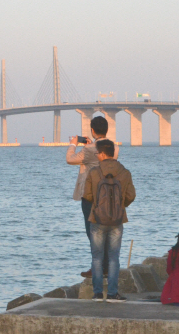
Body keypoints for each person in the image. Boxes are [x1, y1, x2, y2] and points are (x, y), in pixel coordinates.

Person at [66, 116, 119, 278]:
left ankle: (96, 268)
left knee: (92, 232)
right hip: (107, 194)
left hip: (90, 195)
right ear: (107, 130)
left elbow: (70, 159)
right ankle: (106, 267)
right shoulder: (114, 147)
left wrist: (73, 143)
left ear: (92, 130)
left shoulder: (89, 150)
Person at [83, 139, 135, 302]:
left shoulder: (94, 172)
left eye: (97, 153)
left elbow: (88, 196)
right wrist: (120, 206)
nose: (97, 155)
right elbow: (131, 196)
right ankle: (113, 293)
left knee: (97, 257)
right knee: (114, 257)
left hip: (97, 219)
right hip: (117, 220)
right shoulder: (125, 172)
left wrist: (98, 206)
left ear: (103, 153)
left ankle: (97, 293)